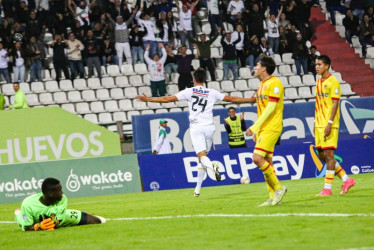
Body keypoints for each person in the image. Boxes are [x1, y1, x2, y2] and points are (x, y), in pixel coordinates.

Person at [136, 68, 256, 197]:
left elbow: (168, 99)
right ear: (204, 80)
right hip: (210, 127)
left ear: (193, 80)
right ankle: (197, 190)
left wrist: (148, 99)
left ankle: (212, 167)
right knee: (202, 159)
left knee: (202, 158)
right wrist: (249, 100)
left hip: (197, 128)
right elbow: (231, 99)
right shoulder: (212, 92)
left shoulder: (189, 91)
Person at [245, 56, 287, 206]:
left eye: (257, 65)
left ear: (264, 68)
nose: (254, 68)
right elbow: (260, 109)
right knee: (267, 162)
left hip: (272, 126)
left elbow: (271, 108)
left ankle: (279, 188)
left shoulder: (275, 83)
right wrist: (258, 131)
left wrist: (254, 127)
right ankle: (273, 198)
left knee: (257, 158)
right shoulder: (261, 84)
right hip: (264, 128)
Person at [314, 55, 356, 196]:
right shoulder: (318, 82)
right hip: (319, 123)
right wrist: (315, 123)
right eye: (316, 64)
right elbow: (318, 104)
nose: (317, 67)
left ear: (327, 66)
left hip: (328, 123)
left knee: (329, 154)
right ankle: (346, 179)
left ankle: (327, 188)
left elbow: (335, 103)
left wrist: (330, 123)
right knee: (321, 155)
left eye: (319, 64)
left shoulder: (333, 82)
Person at [15, 178, 105, 231]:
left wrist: (54, 222)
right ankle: (19, 214)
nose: (62, 192)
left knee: (97, 221)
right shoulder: (28, 204)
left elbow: (57, 222)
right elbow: (27, 227)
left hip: (60, 215)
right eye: (59, 190)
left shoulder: (62, 199)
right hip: (32, 220)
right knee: (21, 219)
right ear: (50, 193)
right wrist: (39, 226)